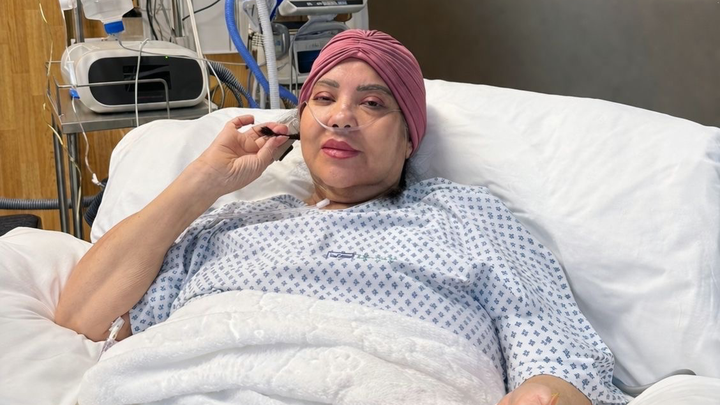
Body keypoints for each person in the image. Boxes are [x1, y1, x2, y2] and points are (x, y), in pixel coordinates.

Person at [55, 30, 626, 405]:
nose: (342, 117)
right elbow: (83, 314)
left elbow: (554, 354)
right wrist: (203, 181)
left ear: (410, 139)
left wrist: (546, 391)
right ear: (298, 123)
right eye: (323, 99)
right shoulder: (230, 222)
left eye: (373, 103)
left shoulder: (463, 215)